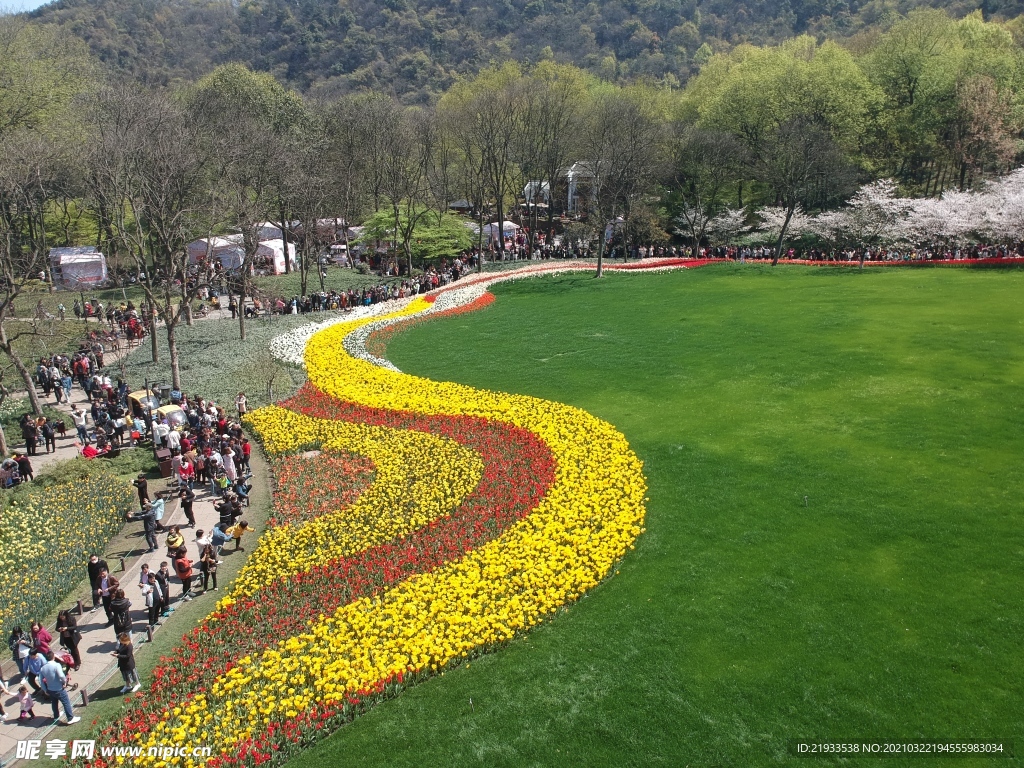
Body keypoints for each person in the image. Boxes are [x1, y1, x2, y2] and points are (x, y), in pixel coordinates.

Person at [39, 651, 81, 724]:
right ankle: (70, 718)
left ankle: (56, 716)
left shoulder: (43, 668)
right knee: (66, 702)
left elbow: (40, 681)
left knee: (54, 703)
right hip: (59, 688)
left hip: (50, 689)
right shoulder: (56, 665)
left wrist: (45, 690)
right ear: (53, 657)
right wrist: (64, 682)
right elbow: (61, 676)